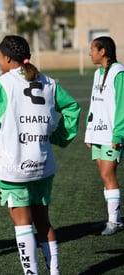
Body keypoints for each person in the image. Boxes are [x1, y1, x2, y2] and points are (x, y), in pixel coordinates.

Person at [0, 35, 80, 274]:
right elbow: (72, 107)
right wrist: (61, 136)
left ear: (7, 58)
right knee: (43, 222)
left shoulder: (3, 83)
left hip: (14, 167)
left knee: (22, 225)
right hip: (43, 166)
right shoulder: (50, 82)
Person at [85, 36, 124, 235]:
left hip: (111, 136)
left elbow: (122, 107)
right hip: (97, 134)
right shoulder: (97, 74)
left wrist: (118, 134)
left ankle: (114, 223)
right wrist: (89, 132)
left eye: (92, 49)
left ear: (103, 51)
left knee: (109, 175)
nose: (89, 53)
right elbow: (94, 104)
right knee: (104, 176)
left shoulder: (119, 73)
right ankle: (113, 218)